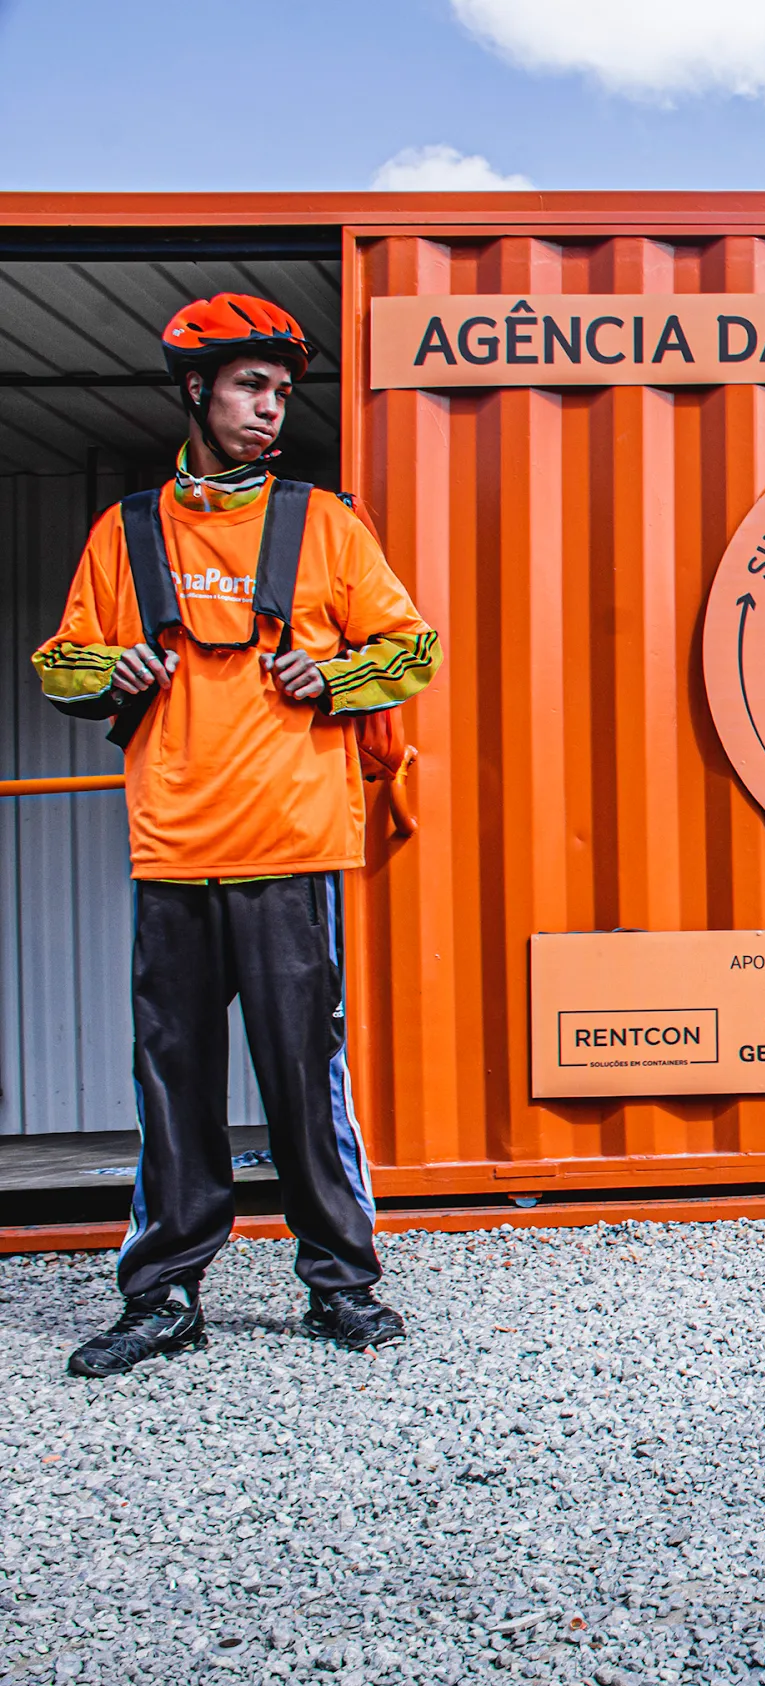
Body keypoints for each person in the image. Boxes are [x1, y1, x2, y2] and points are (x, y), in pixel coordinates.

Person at [32, 294, 443, 1378]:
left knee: (304, 1075)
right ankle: (163, 1298)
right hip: (173, 844)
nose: (271, 408)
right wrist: (105, 670)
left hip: (294, 843)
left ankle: (340, 1288)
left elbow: (413, 649)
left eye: (280, 391)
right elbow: (61, 662)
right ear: (197, 390)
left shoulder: (324, 524)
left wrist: (339, 673)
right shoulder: (126, 531)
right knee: (173, 1076)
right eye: (251, 386)